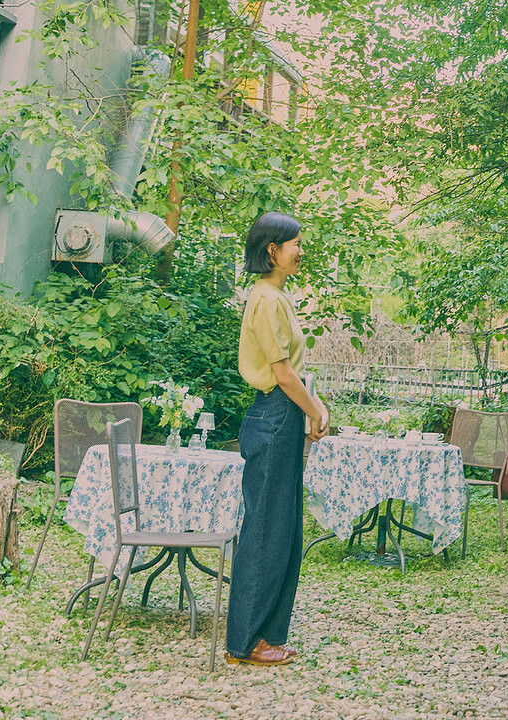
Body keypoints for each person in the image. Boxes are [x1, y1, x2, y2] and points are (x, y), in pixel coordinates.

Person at [225, 212, 329, 666]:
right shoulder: (266, 299)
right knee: (266, 530)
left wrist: (311, 407)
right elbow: (283, 374)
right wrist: (315, 410)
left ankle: (265, 634)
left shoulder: (277, 297)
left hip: (281, 416)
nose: (301, 251)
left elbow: (292, 372)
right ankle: (245, 642)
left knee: (283, 529)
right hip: (274, 415)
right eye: (295, 244)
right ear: (273, 250)